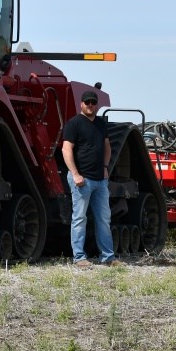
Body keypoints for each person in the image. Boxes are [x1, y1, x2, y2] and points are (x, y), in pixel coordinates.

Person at [61, 90, 122, 268]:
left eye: (93, 102)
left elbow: (107, 146)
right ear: (81, 104)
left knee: (104, 218)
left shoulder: (101, 124)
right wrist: (75, 174)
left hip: (100, 181)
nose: (90, 105)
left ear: (96, 105)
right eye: (87, 102)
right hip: (82, 180)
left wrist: (105, 168)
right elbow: (66, 149)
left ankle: (108, 257)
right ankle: (79, 257)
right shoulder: (74, 123)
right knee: (80, 218)